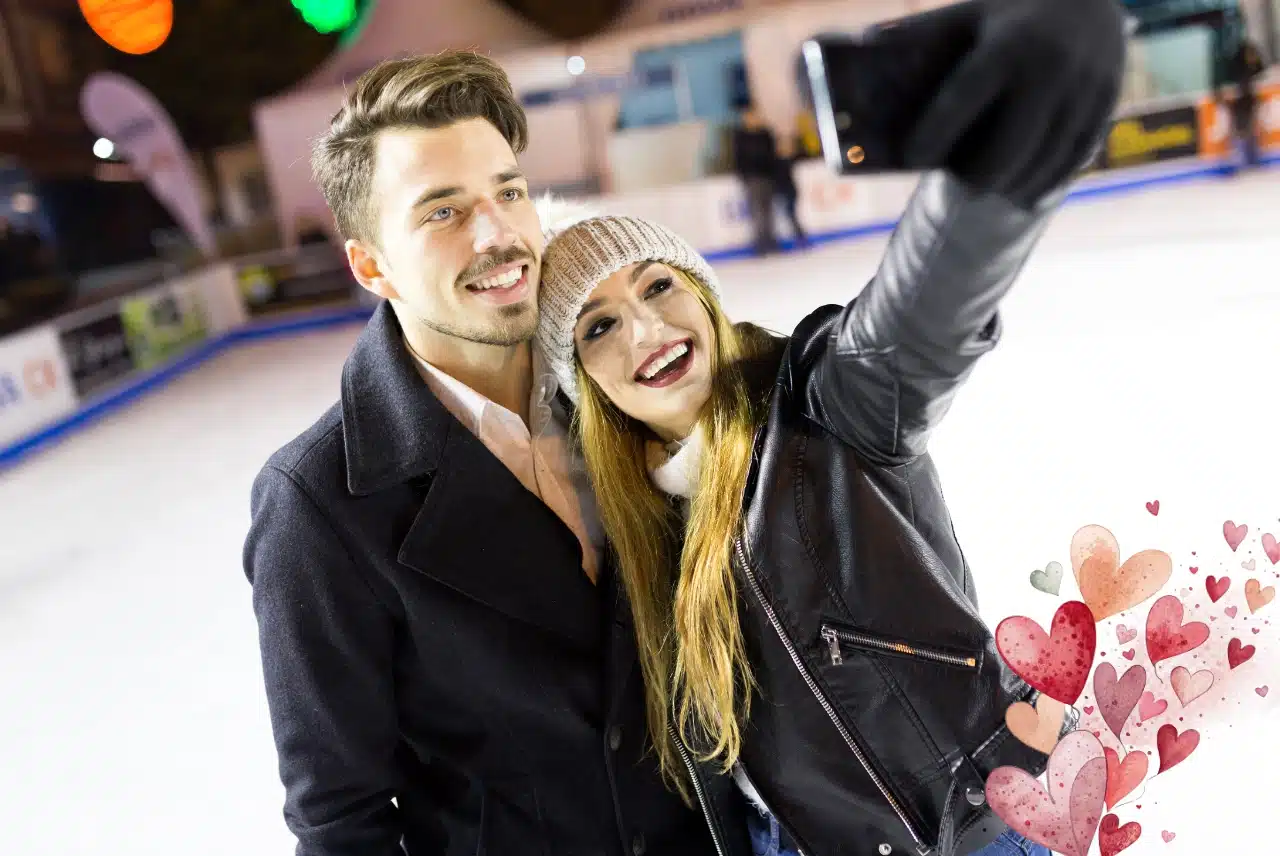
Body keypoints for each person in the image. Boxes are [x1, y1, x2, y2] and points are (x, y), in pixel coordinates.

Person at [532, 1, 1126, 855]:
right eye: (598, 327)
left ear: (701, 291)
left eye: (658, 286)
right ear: (579, 383)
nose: (649, 332)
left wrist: (1000, 155)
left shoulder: (825, 405)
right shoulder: (629, 531)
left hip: (975, 829)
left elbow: (927, 313)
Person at [242, 52, 753, 856]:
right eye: (441, 212)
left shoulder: (619, 384)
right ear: (371, 264)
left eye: (508, 192)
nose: (499, 236)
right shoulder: (319, 504)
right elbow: (341, 820)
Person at [730, 103, 784, 255]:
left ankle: (772, 242)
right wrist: (744, 176)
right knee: (757, 212)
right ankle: (761, 245)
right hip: (752, 178)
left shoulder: (765, 133)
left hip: (768, 177)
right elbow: (738, 158)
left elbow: (773, 156)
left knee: (769, 211)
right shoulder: (741, 136)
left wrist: (775, 175)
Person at [1227, 38, 1266, 168]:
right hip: (1240, 105)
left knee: (1250, 131)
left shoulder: (1254, 66)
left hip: (1249, 103)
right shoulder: (1238, 69)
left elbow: (1261, 73)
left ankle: (1252, 159)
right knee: (1240, 131)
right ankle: (1241, 160)